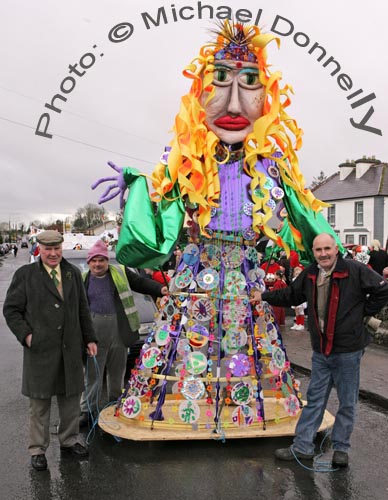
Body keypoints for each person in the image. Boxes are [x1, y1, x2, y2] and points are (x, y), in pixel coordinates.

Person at [91, 22, 342, 433]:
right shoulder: (188, 159)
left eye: (250, 82)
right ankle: (197, 407)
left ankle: (238, 408)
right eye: (220, 79)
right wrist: (137, 184)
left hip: (246, 270)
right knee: (192, 337)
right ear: (200, 95)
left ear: (266, 98)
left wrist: (344, 261)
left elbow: (304, 214)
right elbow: (161, 203)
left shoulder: (270, 164)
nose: (234, 101)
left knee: (248, 341)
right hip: (199, 264)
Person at [251, 233, 388, 467]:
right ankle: (302, 446)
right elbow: (292, 295)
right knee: (315, 399)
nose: (323, 254)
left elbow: (383, 290)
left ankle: (341, 449)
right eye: (318, 250)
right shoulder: (311, 273)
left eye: (327, 249)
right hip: (321, 350)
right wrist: (263, 295)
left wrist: (363, 312)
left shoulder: (354, 270)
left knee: (347, 401)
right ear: (314, 252)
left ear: (335, 249)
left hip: (348, 349)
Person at [3, 230, 97, 471]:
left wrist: (90, 338)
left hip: (70, 348)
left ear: (62, 248)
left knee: (70, 400)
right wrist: (27, 336)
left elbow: (83, 309)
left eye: (57, 248)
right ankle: (37, 449)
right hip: (40, 350)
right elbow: (11, 309)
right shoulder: (26, 275)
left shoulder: (72, 273)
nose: (53, 253)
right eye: (48, 249)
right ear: (40, 249)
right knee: (40, 403)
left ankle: (69, 440)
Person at [79, 240, 169, 426]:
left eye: (101, 260)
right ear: (89, 262)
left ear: (107, 261)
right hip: (94, 332)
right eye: (94, 260)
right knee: (93, 374)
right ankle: (87, 411)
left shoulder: (119, 271)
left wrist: (160, 289)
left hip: (119, 330)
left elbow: (140, 282)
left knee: (117, 371)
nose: (98, 264)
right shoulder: (82, 279)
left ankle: (114, 405)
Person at [290, 266, 307, 330]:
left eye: (299, 274)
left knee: (301, 311)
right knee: (296, 311)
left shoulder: (303, 281)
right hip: (295, 297)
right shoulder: (293, 280)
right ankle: (297, 323)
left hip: (300, 298)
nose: (297, 275)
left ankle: (301, 324)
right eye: (296, 274)